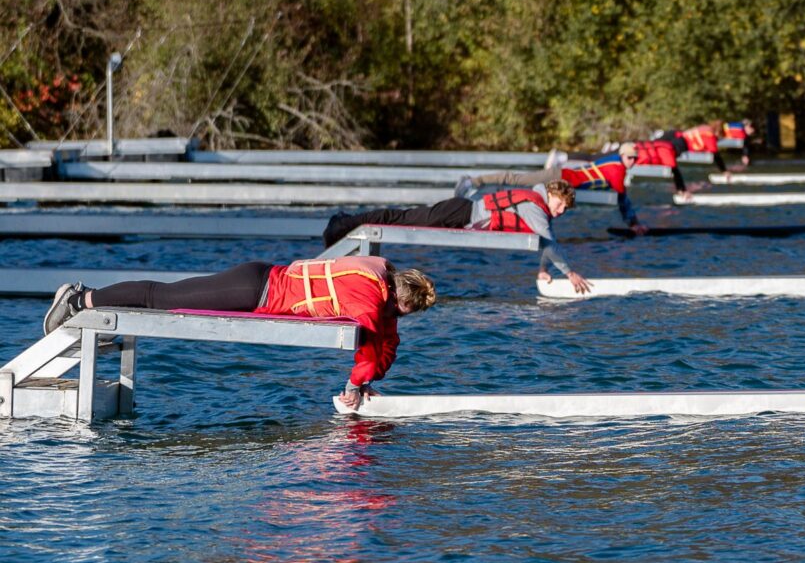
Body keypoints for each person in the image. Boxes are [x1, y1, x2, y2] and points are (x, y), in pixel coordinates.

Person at [41, 257, 436, 409]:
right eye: (402, 312)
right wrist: (354, 384)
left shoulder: (381, 285)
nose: (398, 318)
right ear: (399, 299)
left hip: (260, 283)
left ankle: (94, 306)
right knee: (161, 297)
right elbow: (369, 342)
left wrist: (367, 382)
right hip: (253, 288)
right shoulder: (368, 295)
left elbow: (386, 343)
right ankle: (81, 299)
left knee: (163, 297)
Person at [322, 179, 593, 294]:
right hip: (459, 213)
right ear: (552, 194)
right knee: (398, 218)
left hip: (460, 213)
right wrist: (570, 274)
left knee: (400, 217)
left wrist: (544, 270)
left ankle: (345, 222)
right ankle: (343, 224)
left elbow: (547, 241)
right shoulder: (536, 206)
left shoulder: (538, 206)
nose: (559, 212)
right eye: (560, 205)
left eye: (564, 211)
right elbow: (550, 242)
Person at [469, 143, 644, 229]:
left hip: (561, 182)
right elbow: (623, 198)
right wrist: (633, 224)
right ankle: (474, 181)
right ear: (622, 156)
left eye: (635, 159)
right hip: (558, 177)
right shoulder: (617, 169)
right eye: (629, 158)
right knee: (516, 180)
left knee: (522, 191)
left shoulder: (613, 161)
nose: (632, 161)